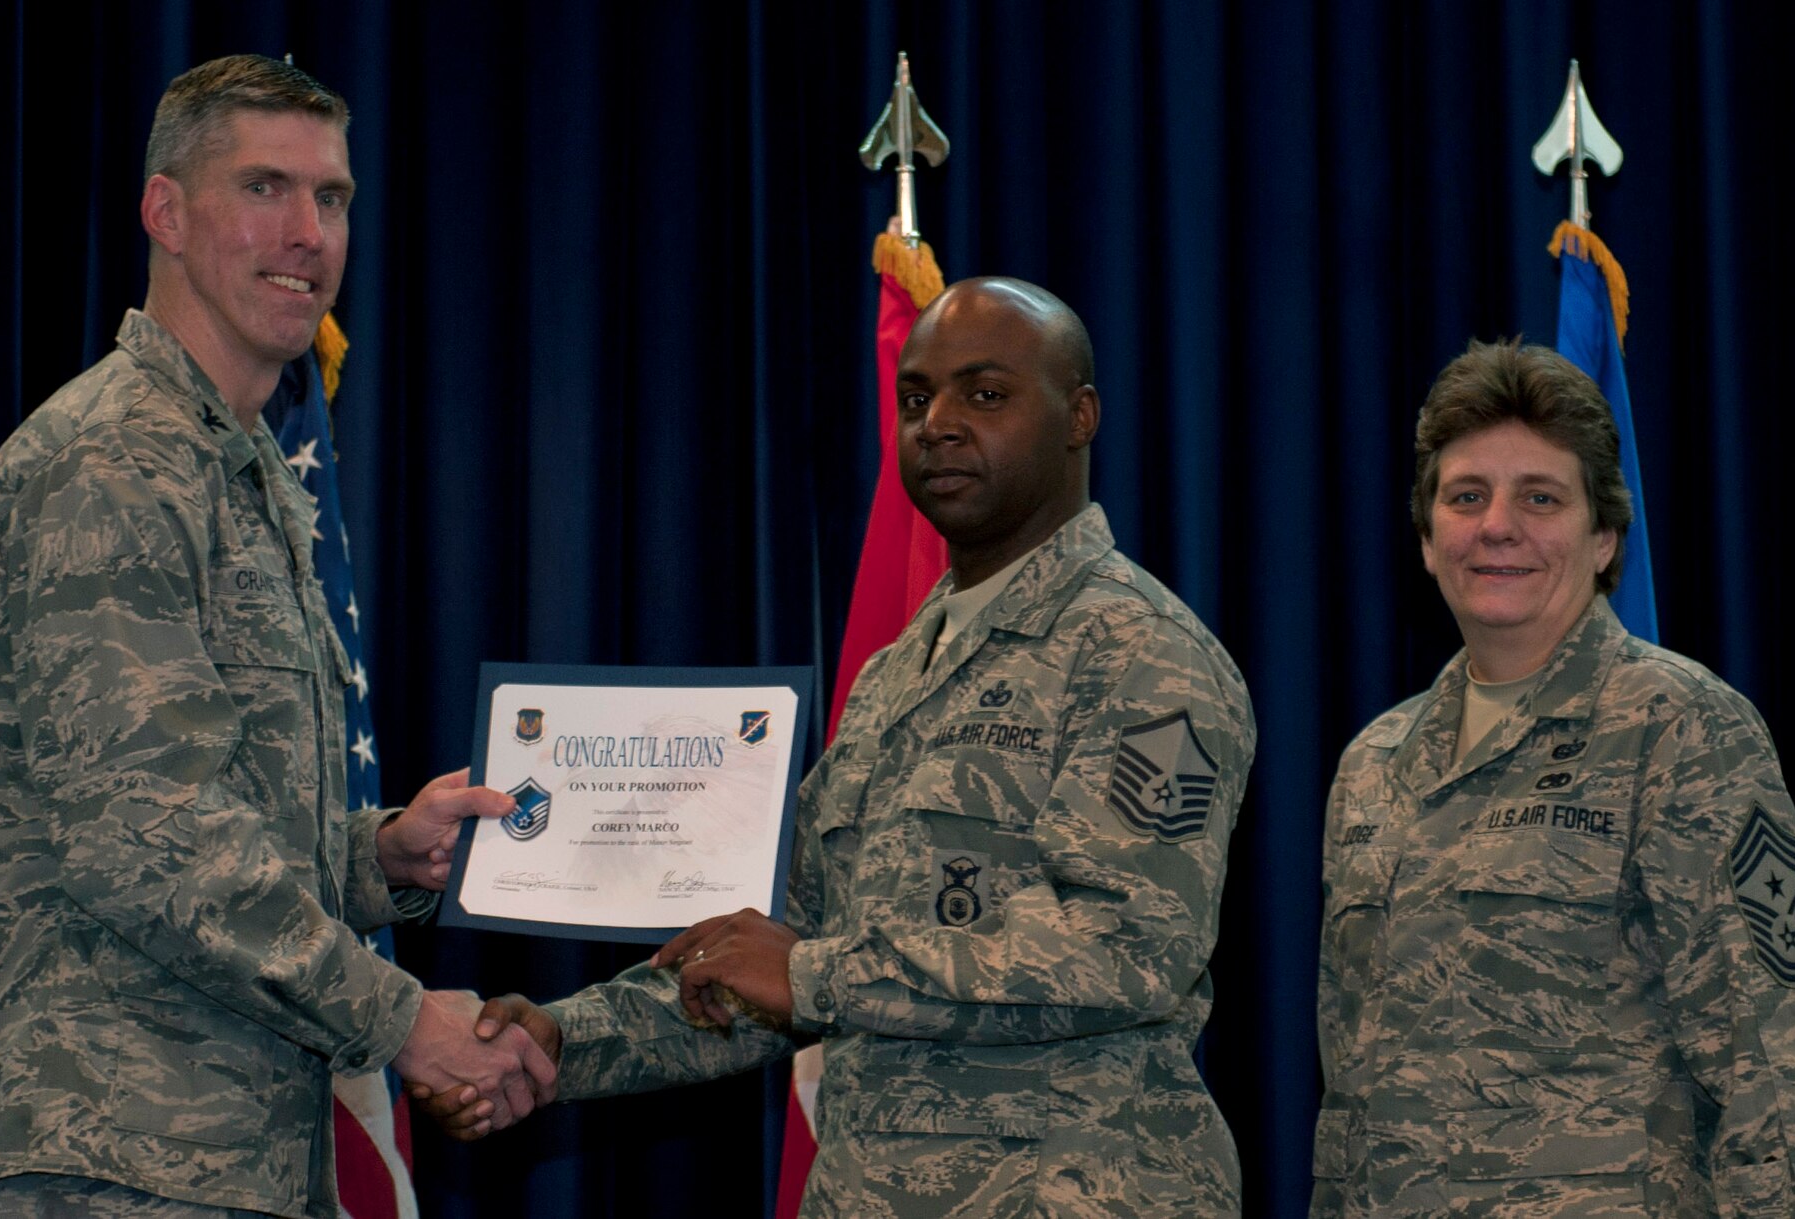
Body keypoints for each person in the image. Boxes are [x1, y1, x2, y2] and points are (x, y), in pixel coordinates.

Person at [418, 277, 1257, 1215]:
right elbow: (773, 949)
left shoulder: (1146, 655)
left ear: (1081, 416)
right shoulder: (897, 672)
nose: (937, 424)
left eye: (985, 394)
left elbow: (1129, 950)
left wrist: (810, 972)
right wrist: (561, 1043)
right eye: (915, 398)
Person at [0, 55, 553, 1219]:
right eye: (265, 187)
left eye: (333, 197)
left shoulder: (239, 466)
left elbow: (215, 810)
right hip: (102, 1149)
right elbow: (147, 835)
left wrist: (381, 855)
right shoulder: (111, 461)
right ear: (165, 212)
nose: (309, 232)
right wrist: (401, 1019)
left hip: (224, 1151)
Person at [1313, 339, 1795, 1216]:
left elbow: (1780, 1070)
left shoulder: (1681, 727)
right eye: (1466, 496)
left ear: (1604, 537)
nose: (1498, 525)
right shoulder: (1374, 764)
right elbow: (1350, 1095)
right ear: (1426, 538)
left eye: (1541, 497)